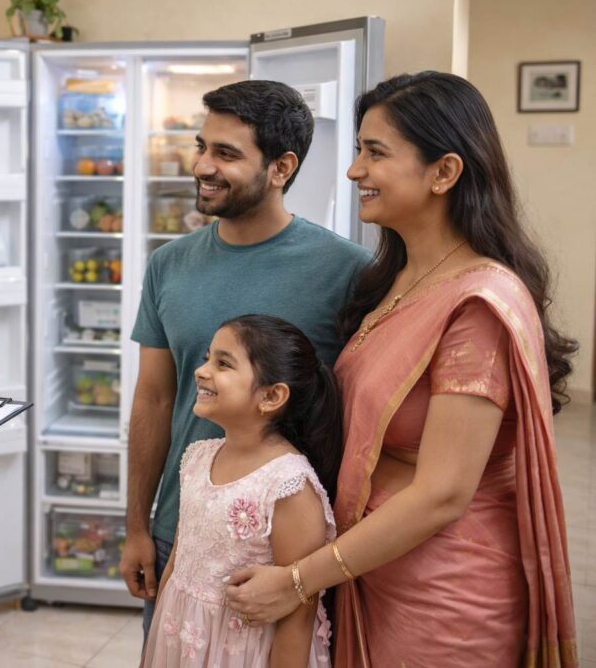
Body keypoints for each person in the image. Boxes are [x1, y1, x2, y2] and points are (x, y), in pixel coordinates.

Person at [223, 72, 579, 667]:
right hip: (371, 563)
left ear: (444, 172)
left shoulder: (478, 305)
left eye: (375, 152)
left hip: (444, 591)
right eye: (359, 149)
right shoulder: (391, 281)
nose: (354, 171)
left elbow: (442, 493)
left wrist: (298, 579)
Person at [121, 79, 372, 640]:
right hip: (178, 528)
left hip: (286, 546)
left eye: (226, 154)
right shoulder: (169, 264)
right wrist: (138, 523)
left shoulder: (347, 271)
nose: (203, 166)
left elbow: (359, 413)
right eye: (201, 146)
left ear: (281, 167)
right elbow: (155, 398)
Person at [141, 314, 341, 667]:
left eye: (223, 363)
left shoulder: (287, 485)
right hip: (181, 636)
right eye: (206, 358)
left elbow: (299, 615)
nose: (201, 371)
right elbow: (177, 560)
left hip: (243, 653)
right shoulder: (197, 458)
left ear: (271, 396)